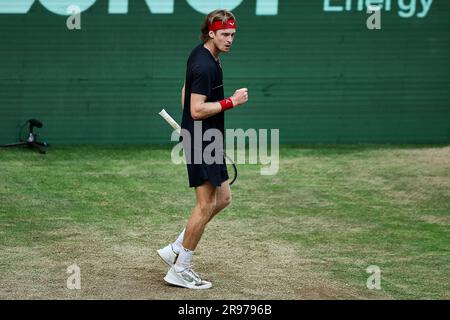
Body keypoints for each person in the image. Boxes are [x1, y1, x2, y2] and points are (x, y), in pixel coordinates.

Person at [157, 9, 248, 289]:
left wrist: (190, 123)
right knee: (206, 204)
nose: (230, 39)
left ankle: (175, 248)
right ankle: (180, 268)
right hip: (202, 141)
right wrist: (231, 101)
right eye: (224, 34)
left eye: (232, 34)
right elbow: (197, 109)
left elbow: (186, 92)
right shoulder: (205, 65)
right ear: (211, 33)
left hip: (206, 138)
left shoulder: (204, 55)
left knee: (223, 199)